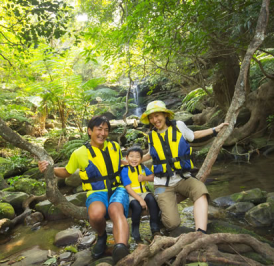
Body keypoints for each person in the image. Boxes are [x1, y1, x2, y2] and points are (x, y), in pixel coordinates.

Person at [38, 116, 130, 264]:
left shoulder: (114, 147)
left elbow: (119, 163)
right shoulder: (79, 153)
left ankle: (121, 247)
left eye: (106, 130)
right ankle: (101, 236)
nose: (103, 133)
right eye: (99, 129)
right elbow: (67, 172)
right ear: (89, 131)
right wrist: (50, 169)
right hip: (96, 191)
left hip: (117, 188)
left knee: (115, 209)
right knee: (95, 214)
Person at [138, 100, 228, 234]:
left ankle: (200, 233)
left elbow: (193, 135)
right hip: (162, 184)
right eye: (151, 117)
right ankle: (162, 215)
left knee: (200, 191)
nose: (154, 120)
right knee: (172, 224)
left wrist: (215, 130)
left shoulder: (178, 125)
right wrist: (131, 161)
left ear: (165, 114)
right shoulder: (151, 135)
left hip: (182, 178)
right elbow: (150, 154)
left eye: (157, 116)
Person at [120, 146, 161, 244]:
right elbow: (128, 188)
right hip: (131, 194)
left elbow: (152, 177)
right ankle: (135, 232)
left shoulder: (142, 167)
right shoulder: (125, 170)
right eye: (132, 156)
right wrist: (140, 200)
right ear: (126, 158)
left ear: (141, 159)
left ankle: (155, 228)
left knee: (152, 200)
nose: (134, 159)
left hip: (143, 192)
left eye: (137, 157)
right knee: (136, 206)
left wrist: (144, 178)